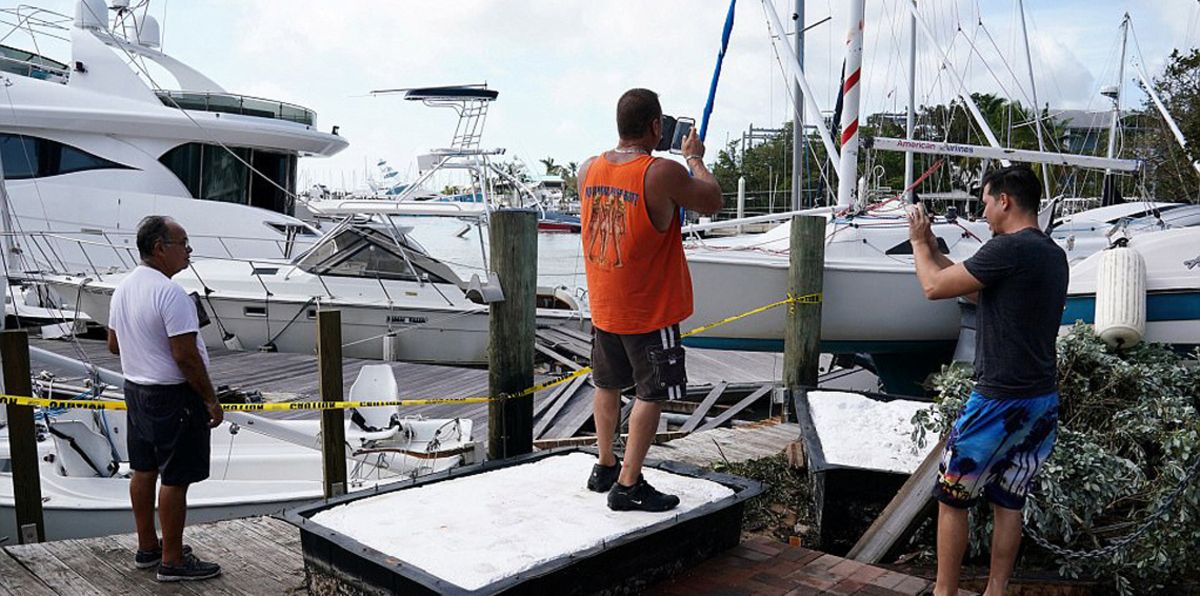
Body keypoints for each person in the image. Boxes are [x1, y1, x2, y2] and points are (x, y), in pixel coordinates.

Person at [906, 165, 1067, 596]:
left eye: (984, 201)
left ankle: (944, 592)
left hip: (998, 400)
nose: (982, 210)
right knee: (1008, 502)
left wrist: (920, 243)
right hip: (1041, 402)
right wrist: (937, 250)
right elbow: (973, 286)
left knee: (952, 498)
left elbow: (934, 286)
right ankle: (996, 591)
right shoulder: (1051, 254)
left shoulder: (1009, 249)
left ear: (1005, 201)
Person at [578, 88, 722, 512]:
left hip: (606, 304)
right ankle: (627, 484)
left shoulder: (588, 169)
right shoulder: (661, 172)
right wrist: (693, 156)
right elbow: (712, 200)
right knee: (651, 393)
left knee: (605, 383)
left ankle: (605, 464)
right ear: (656, 127)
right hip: (649, 310)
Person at [107, 215, 224, 582]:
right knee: (175, 477)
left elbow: (113, 344)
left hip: (137, 390)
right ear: (160, 248)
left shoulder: (124, 287)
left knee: (144, 470)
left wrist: (144, 348)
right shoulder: (170, 292)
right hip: (172, 395)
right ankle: (172, 561)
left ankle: (148, 546)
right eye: (183, 243)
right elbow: (185, 355)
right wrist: (210, 398)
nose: (189, 250)